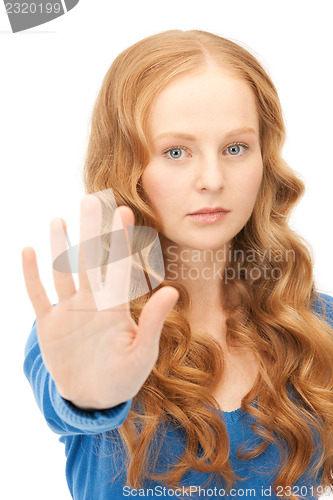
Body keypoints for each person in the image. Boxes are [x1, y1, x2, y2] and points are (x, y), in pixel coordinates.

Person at [22, 29, 333, 500]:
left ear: (264, 159)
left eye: (235, 148)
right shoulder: (84, 330)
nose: (212, 180)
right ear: (128, 166)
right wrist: (89, 399)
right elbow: (66, 397)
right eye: (176, 152)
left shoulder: (319, 325)